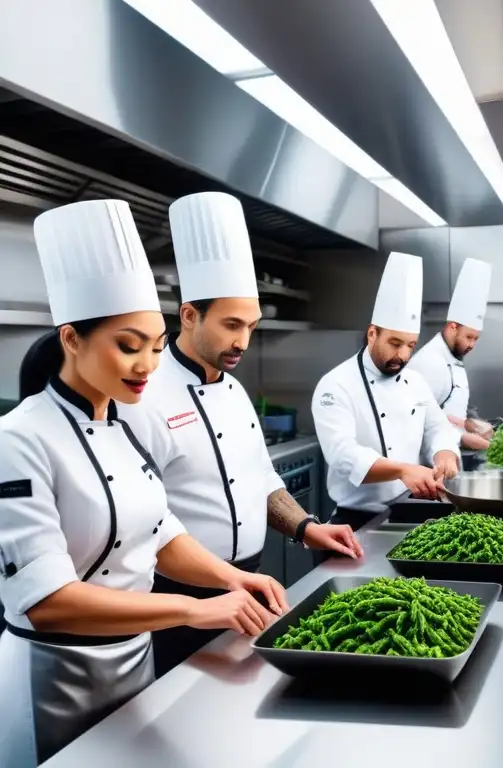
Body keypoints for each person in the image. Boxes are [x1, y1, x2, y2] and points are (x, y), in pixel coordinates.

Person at [0, 200, 286, 767]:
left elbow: (157, 532)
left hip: (134, 662)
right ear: (72, 339)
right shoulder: (19, 438)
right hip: (53, 677)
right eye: (128, 346)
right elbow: (47, 602)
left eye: (155, 346)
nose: (148, 365)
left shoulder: (120, 424)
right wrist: (189, 610)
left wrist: (234, 580)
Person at [117, 192, 362, 678]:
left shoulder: (232, 389)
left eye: (251, 325)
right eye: (231, 325)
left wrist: (307, 527)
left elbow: (260, 478)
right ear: (189, 315)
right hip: (176, 599)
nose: (243, 342)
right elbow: (141, 518)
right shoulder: (139, 396)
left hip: (248, 582)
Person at [311, 251, 461, 531]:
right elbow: (342, 455)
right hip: (355, 522)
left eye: (410, 345)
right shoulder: (335, 385)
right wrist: (403, 470)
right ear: (372, 334)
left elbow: (437, 428)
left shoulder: (414, 380)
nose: (403, 355)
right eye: (395, 343)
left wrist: (444, 453)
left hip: (409, 511)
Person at [408, 257, 493, 450]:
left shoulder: (453, 356)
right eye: (469, 337)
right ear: (453, 327)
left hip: (451, 458)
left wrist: (471, 424)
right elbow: (417, 420)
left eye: (476, 339)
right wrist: (461, 438)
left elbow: (448, 409)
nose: (472, 345)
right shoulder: (430, 362)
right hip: (429, 464)